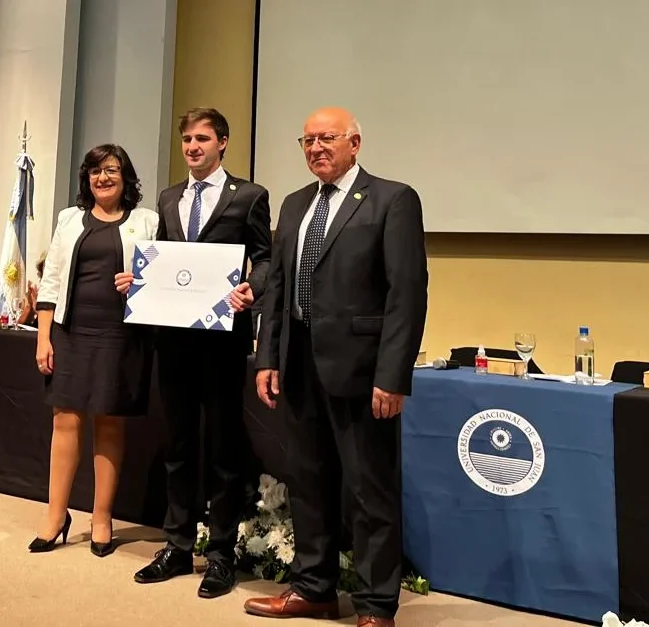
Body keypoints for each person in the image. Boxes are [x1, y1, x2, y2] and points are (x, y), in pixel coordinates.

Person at [245, 107, 428, 627]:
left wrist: (392, 376)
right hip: (298, 365)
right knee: (308, 482)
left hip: (363, 371)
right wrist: (267, 357)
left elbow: (407, 296)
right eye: (307, 140)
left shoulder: (393, 199)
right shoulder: (296, 203)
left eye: (327, 138)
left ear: (355, 143)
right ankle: (313, 588)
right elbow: (277, 289)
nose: (316, 148)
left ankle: (374, 605)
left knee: (371, 490)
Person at [125, 108, 272, 599]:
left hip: (224, 340)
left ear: (222, 143)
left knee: (225, 450)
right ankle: (177, 545)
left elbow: (266, 257)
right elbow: (168, 263)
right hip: (175, 340)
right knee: (179, 446)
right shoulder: (169, 197)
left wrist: (253, 286)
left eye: (202, 138)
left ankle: (222, 555)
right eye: (186, 138)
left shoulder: (249, 196)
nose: (192, 146)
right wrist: (137, 280)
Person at [30, 144, 159, 558]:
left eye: (112, 170)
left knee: (109, 423)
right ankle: (55, 516)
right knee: (64, 422)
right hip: (70, 331)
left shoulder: (147, 221)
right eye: (95, 171)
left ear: (126, 177)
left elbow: (163, 278)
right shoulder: (69, 219)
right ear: (86, 179)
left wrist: (139, 281)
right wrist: (43, 337)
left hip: (121, 334)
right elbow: (50, 281)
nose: (103, 178)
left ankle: (101, 517)